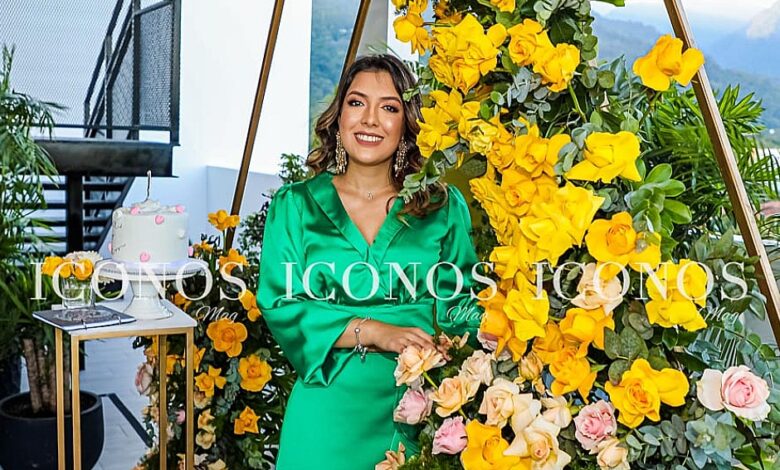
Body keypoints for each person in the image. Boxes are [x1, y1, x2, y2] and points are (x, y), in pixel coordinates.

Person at [256, 54, 487, 469]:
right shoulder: (294, 206)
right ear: (339, 115)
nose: (370, 119)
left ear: (407, 124)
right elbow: (281, 304)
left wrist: (508, 324)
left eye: (389, 108)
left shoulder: (442, 206)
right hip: (326, 410)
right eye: (357, 102)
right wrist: (375, 331)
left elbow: (460, 306)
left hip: (417, 409)